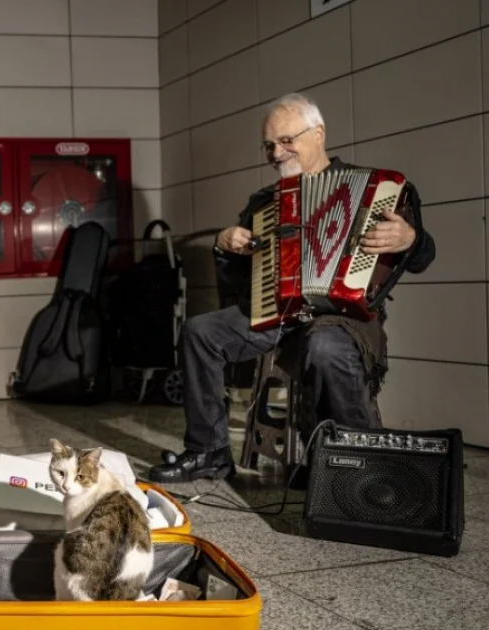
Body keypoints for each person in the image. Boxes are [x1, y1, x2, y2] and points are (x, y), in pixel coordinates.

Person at [148, 92, 436, 485]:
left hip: (344, 317)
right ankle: (208, 452)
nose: (276, 152)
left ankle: (357, 467)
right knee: (200, 332)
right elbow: (237, 283)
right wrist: (225, 247)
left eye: (286, 140)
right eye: (269, 144)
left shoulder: (377, 189)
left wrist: (411, 239)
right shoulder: (265, 204)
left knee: (325, 345)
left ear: (318, 133)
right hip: (277, 313)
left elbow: (421, 259)